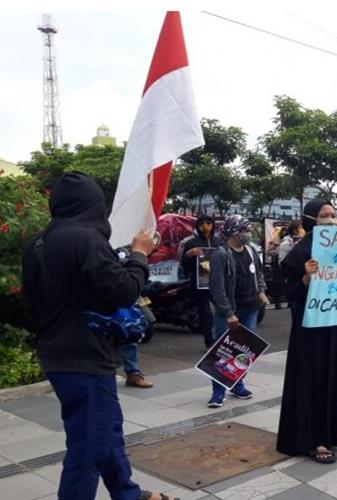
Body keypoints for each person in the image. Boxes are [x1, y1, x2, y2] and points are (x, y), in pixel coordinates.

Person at [22, 172, 174, 500]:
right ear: (94, 204)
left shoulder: (37, 242)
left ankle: (127, 493)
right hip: (86, 356)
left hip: (57, 353)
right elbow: (123, 291)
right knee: (89, 446)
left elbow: (29, 305)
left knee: (105, 431)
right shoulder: (86, 239)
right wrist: (139, 255)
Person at [277, 200, 337, 464]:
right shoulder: (301, 251)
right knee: (313, 381)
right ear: (311, 219)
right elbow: (290, 294)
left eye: (334, 215)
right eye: (324, 216)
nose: (331, 220)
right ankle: (312, 439)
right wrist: (306, 278)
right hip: (311, 331)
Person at [207, 215, 268, 408]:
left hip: (251, 309)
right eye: (245, 230)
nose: (248, 234)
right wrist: (227, 312)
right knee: (224, 350)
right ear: (234, 232)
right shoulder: (221, 254)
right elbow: (216, 288)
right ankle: (218, 391)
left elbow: (258, 274)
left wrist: (261, 291)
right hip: (230, 312)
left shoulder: (251, 251)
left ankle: (237, 384)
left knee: (244, 351)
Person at [181, 214, 224, 348]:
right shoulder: (191, 243)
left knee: (223, 309)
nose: (205, 227)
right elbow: (185, 265)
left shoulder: (219, 242)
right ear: (197, 226)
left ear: (212, 225)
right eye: (201, 224)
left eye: (208, 223)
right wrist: (189, 254)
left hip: (217, 282)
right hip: (201, 282)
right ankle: (209, 341)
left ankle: (222, 338)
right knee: (205, 312)